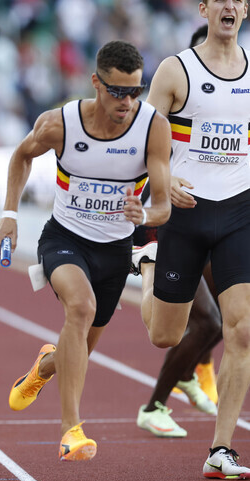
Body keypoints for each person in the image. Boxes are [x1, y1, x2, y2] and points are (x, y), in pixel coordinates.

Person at [0, 40, 171, 461]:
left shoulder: (153, 128)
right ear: (96, 82)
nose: (127, 101)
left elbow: (162, 204)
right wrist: (9, 214)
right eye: (117, 91)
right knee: (81, 308)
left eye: (135, 91)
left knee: (79, 352)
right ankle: (71, 430)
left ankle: (43, 367)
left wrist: (144, 214)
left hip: (114, 251)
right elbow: (21, 156)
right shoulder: (61, 124)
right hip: (64, 240)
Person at [137, 0, 250, 479]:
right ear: (204, 8)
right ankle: (144, 266)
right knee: (165, 335)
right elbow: (137, 138)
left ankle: (220, 449)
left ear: (244, 8)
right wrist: (163, 182)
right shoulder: (175, 70)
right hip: (184, 212)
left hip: (239, 211)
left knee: (241, 330)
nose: (229, 5)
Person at [134, 24, 223, 439]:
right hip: (173, 220)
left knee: (219, 321)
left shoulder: (234, 96)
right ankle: (160, 399)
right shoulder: (175, 88)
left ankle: (184, 377)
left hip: (222, 218)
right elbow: (143, 151)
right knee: (180, 329)